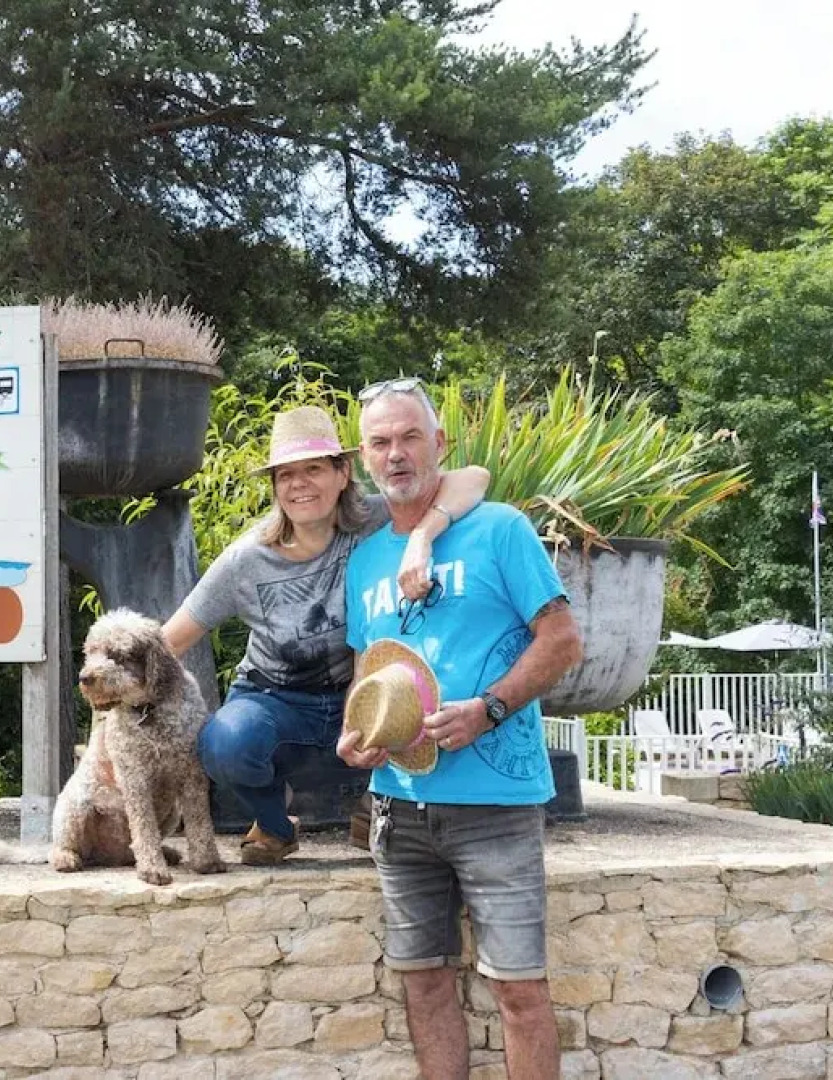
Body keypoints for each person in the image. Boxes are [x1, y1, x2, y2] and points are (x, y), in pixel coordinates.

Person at [338, 377, 583, 1080]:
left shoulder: (499, 528)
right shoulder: (365, 561)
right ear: (363, 457)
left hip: (496, 808)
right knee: (422, 982)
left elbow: (562, 641)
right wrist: (355, 735)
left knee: (519, 991)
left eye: (409, 437)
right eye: (380, 442)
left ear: (439, 443)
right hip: (397, 806)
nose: (395, 454)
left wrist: (490, 709)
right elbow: (367, 670)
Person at [161, 402, 490, 865]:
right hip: (276, 703)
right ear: (275, 487)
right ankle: (276, 827)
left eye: (313, 469)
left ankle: (374, 805)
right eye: (286, 475)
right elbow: (164, 644)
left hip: (360, 693)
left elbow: (473, 478)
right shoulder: (246, 561)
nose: (299, 484)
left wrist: (422, 535)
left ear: (342, 473)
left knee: (421, 685)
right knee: (225, 744)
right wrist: (113, 731)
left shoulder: (377, 520)